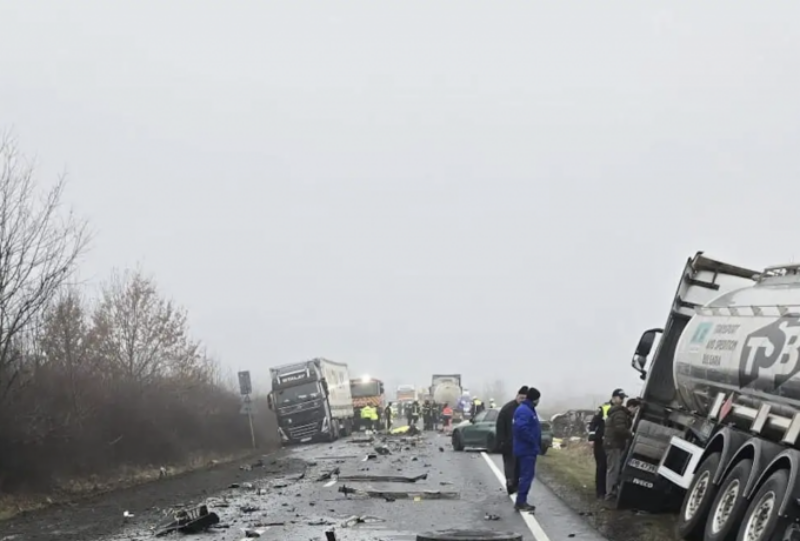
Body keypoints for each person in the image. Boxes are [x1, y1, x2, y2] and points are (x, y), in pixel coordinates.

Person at [604, 391, 639, 501]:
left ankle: (611, 492)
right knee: (613, 469)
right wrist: (631, 434)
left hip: (613, 444)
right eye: (636, 409)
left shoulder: (620, 413)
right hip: (614, 444)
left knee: (613, 469)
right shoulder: (620, 414)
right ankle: (609, 494)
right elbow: (620, 429)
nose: (636, 412)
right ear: (632, 407)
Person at [513, 387, 541, 512]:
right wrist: (532, 441)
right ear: (535, 399)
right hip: (526, 449)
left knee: (525, 475)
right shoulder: (525, 410)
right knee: (526, 476)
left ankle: (521, 500)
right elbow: (521, 428)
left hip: (527, 448)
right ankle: (521, 501)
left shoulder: (528, 409)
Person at [496, 386, 529, 494]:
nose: (523, 400)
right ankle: (510, 482)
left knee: (519, 465)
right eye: (521, 398)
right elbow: (500, 425)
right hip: (508, 442)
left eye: (525, 398)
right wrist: (501, 440)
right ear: (517, 396)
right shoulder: (507, 409)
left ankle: (515, 483)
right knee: (510, 463)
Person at [588, 394, 614, 499]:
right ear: (614, 397)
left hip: (609, 443)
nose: (622, 400)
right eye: (620, 398)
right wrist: (591, 439)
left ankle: (604, 490)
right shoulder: (603, 408)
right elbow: (593, 424)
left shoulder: (618, 410)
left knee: (607, 467)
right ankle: (600, 492)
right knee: (601, 466)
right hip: (600, 442)